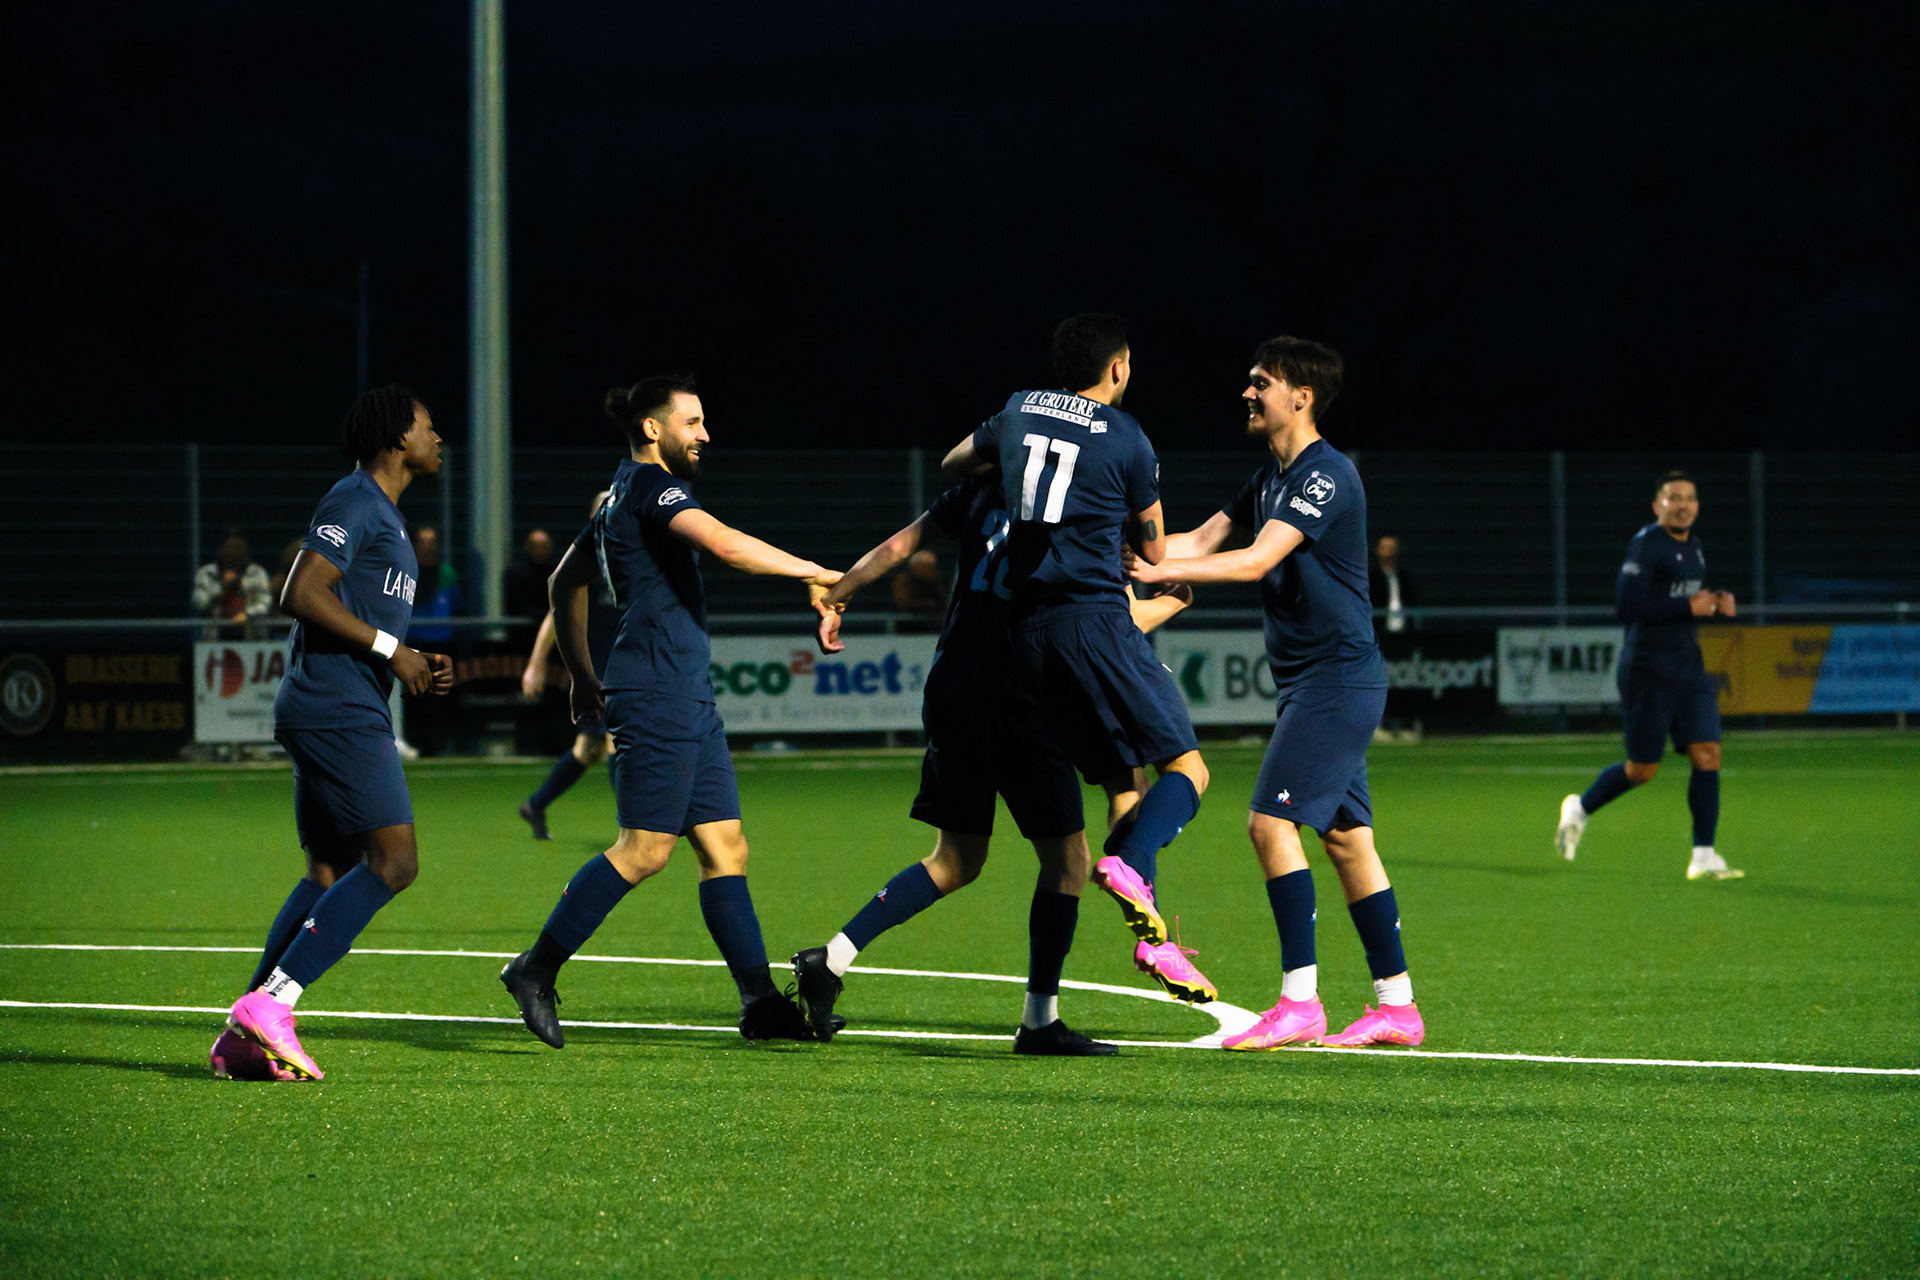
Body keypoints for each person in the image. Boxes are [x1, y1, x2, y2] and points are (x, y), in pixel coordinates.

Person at [791, 474, 1195, 1055]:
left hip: (954, 683)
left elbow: (898, 546)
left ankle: (830, 960)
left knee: (955, 859)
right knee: (1069, 859)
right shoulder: (1076, 503)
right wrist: (1174, 600)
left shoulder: (977, 488)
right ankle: (1039, 1021)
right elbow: (1114, 622)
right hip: (1021, 689)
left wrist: (837, 597)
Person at [497, 375, 841, 1047]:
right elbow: (723, 544)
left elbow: (561, 581)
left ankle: (761, 1003)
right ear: (654, 429)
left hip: (680, 690)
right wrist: (814, 572)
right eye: (694, 421)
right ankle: (535, 969)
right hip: (657, 692)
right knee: (644, 850)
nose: (706, 434)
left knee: (724, 846)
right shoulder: (654, 488)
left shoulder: (616, 494)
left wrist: (579, 675)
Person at [1130, 336, 1424, 1050]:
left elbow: (1261, 558)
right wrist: (1127, 557)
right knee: (1350, 842)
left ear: (1302, 395)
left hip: (1336, 679)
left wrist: (1145, 580)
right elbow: (1198, 538)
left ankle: (1301, 1002)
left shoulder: (1326, 475)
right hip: (1314, 683)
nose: (1247, 393)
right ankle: (1397, 1007)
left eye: (1260, 382)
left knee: (1269, 825)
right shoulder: (1270, 477)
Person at [936, 313, 1216, 1005]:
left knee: (1127, 789)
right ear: (1117, 367)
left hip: (1029, 640)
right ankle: (1134, 865)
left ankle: (1157, 941)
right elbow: (1152, 554)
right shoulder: (1126, 438)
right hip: (1094, 624)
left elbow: (950, 463)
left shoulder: (1018, 410)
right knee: (1188, 770)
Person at [209, 385, 453, 1082]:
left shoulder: (388, 518)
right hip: (336, 708)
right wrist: (389, 650)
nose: (439, 439)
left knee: (327, 872)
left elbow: (357, 611)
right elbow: (302, 591)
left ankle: (243, 1036)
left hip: (332, 702)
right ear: (397, 439)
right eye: (429, 427)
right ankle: (275, 1002)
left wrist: (412, 657)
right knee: (394, 863)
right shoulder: (354, 499)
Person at [1555, 471, 1743, 881]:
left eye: (1690, 498)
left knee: (1708, 752)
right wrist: (1687, 608)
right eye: (1674, 497)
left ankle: (1704, 854)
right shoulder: (1646, 544)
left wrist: (1715, 604)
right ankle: (1580, 809)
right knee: (1642, 769)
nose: (1683, 505)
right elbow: (1627, 604)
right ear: (1657, 504)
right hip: (1648, 669)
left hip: (1688, 666)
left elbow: (1682, 602)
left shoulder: (1694, 547)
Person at [518, 495, 619, 839]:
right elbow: (556, 612)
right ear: (594, 515)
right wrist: (535, 664)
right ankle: (635, 828)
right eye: (607, 506)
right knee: (616, 742)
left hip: (619, 665)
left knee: (588, 750)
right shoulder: (588, 557)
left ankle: (535, 804)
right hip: (596, 671)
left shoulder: (628, 555)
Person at [193, 528, 271, 638]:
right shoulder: (207, 573)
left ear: (245, 549)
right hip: (215, 637)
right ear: (221, 548)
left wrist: (248, 614)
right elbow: (200, 603)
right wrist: (221, 589)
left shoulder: (257, 573)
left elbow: (265, 603)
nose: (234, 551)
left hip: (251, 637)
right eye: (230, 547)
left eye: (238, 547)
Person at [406, 525, 461, 646]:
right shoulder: (407, 572)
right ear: (415, 545)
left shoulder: (447, 574)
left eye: (431, 542)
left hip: (443, 642)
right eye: (423, 542)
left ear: (438, 545)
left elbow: (457, 608)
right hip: (411, 641)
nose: (427, 547)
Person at [504, 529, 555, 647]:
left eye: (543, 547)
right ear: (527, 547)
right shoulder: (516, 573)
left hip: (551, 637)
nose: (539, 551)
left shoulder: (556, 572)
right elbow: (517, 605)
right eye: (535, 547)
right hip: (522, 636)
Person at [1368, 534, 1417, 637]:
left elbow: (1413, 601)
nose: (1389, 552)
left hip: (1404, 631)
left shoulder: (1405, 577)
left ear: (1398, 550)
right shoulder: (1370, 578)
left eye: (1392, 548)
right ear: (1377, 550)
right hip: (1378, 632)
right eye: (1385, 548)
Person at [889, 548, 948, 630]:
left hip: (930, 625)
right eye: (926, 567)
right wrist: (925, 604)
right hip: (906, 625)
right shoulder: (903, 580)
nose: (929, 570)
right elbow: (903, 604)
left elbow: (943, 603)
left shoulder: (933, 581)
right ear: (915, 567)